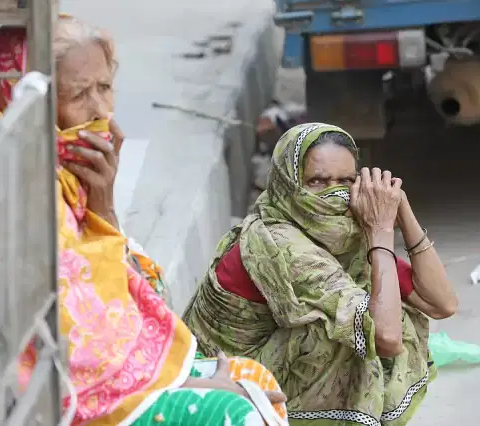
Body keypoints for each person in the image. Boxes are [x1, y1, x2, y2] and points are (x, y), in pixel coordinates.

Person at [0, 14, 289, 426]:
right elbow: (81, 358)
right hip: (80, 402)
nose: (100, 109)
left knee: (255, 380)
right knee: (240, 414)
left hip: (122, 385)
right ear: (30, 103)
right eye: (79, 95)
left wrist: (104, 208)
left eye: (105, 88)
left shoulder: (75, 187)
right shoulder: (27, 192)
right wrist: (191, 389)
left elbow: (147, 295)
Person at [182, 123, 458, 425]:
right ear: (289, 183)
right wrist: (381, 233)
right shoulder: (278, 242)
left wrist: (401, 209)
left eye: (345, 181)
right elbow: (386, 338)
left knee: (384, 301)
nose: (334, 194)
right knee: (348, 331)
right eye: (317, 181)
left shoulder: (342, 231)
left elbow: (441, 303)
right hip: (222, 382)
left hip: (263, 365)